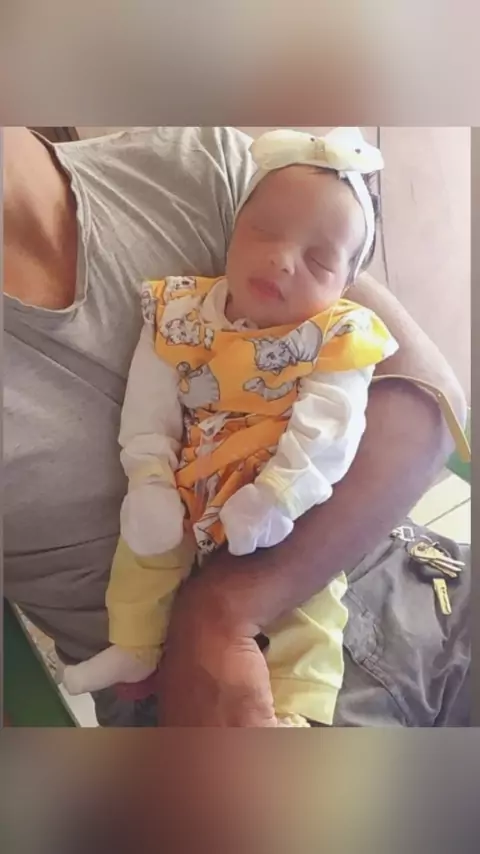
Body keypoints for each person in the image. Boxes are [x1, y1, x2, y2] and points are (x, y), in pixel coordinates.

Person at [4, 126, 467, 727]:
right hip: (188, 693)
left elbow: (428, 403)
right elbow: (152, 402)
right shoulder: (177, 306)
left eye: (317, 260)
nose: (280, 259)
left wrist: (223, 609)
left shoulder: (206, 166)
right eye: (264, 236)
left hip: (402, 570)